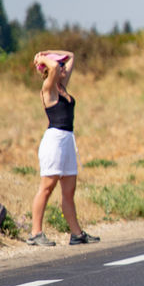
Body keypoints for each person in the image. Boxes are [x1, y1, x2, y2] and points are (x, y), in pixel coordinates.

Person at [28, 51, 98, 247]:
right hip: (54, 141)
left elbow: (71, 56)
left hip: (67, 140)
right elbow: (54, 67)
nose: (63, 68)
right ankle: (35, 233)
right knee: (47, 187)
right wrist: (41, 59)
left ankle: (76, 234)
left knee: (69, 190)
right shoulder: (48, 88)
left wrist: (47, 53)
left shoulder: (62, 86)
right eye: (59, 66)